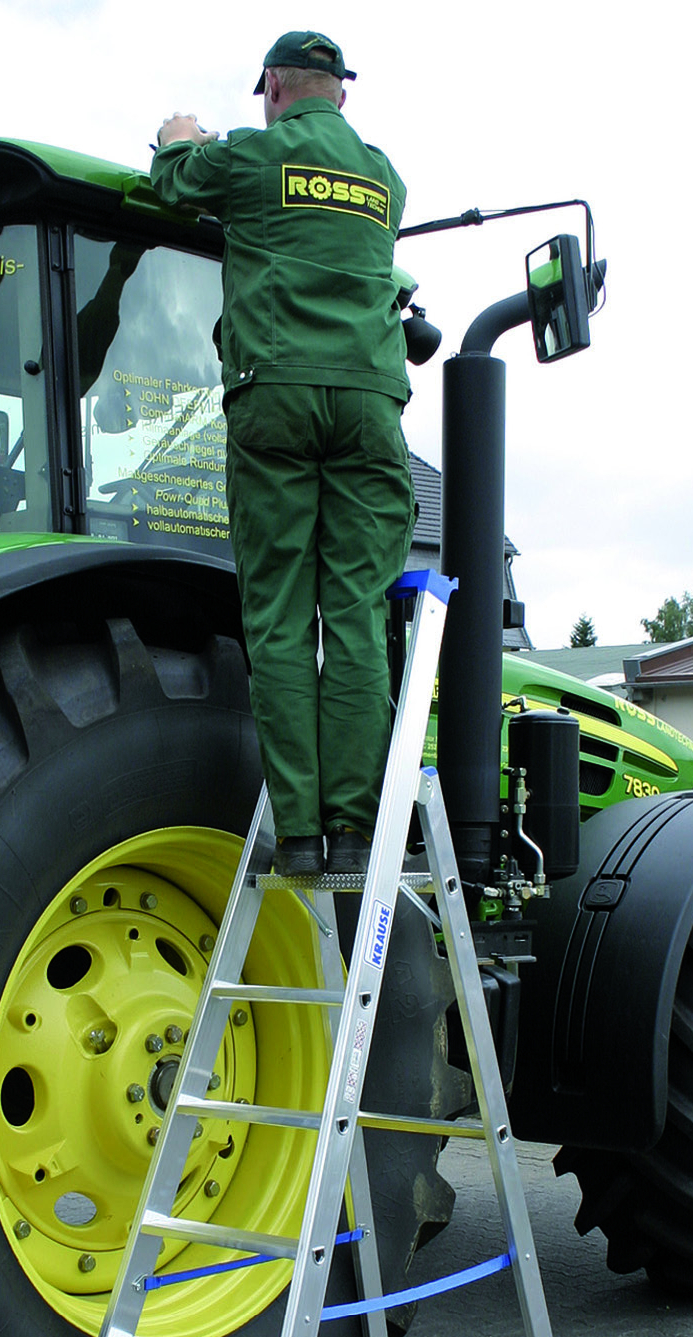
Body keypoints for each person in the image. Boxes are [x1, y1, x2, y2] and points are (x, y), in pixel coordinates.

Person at [151, 31, 415, 874]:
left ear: (271, 87)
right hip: (372, 405)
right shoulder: (383, 178)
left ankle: (297, 834)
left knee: (278, 616)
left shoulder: (248, 161)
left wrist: (177, 134)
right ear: (341, 93)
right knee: (357, 616)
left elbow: (174, 183)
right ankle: (354, 825)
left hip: (276, 398)